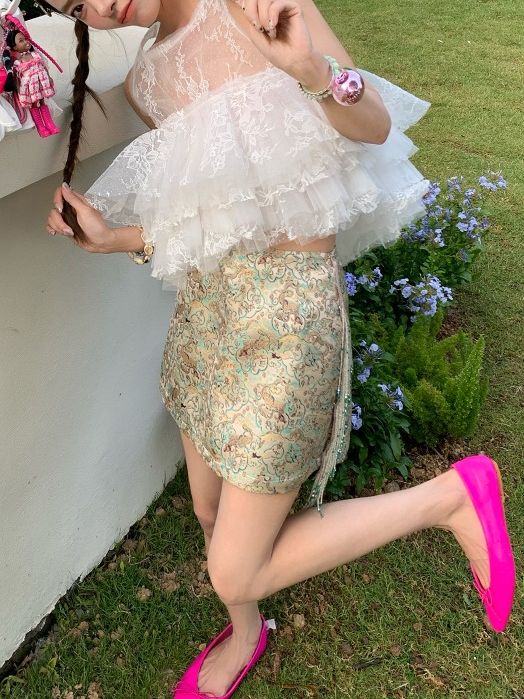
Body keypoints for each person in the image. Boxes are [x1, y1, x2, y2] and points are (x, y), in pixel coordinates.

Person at [41, 0, 516, 697]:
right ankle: (246, 632)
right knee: (209, 509)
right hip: (206, 317)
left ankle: (450, 498)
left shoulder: (250, 6)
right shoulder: (145, 80)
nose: (102, 5)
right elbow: (208, 220)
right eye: (76, 7)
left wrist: (312, 72)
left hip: (290, 320)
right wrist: (115, 240)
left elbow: (375, 126)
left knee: (234, 568)